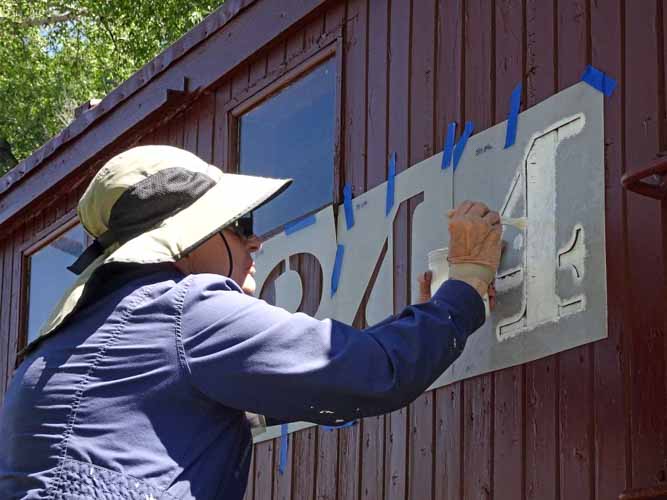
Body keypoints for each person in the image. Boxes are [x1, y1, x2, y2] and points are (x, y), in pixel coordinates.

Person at [0, 145, 502, 499]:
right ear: (184, 240)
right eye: (240, 227)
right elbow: (374, 371)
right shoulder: (185, 309)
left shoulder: (64, 343)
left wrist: (428, 315)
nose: (255, 242)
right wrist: (467, 284)